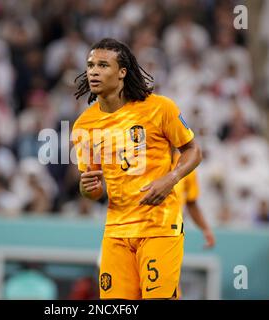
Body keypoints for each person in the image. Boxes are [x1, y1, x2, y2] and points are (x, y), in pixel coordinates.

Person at [72, 38, 202, 299]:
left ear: (122, 72)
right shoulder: (84, 126)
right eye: (90, 65)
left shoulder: (159, 108)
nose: (94, 71)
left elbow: (193, 151)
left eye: (102, 65)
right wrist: (88, 189)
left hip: (159, 228)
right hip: (116, 233)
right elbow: (92, 190)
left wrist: (171, 178)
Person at [171, 149, 215, 249]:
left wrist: (205, 229)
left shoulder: (186, 162)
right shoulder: (146, 160)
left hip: (172, 229)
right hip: (142, 228)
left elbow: (191, 202)